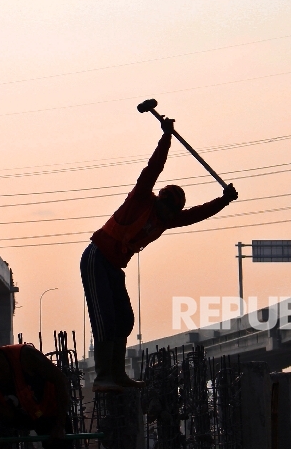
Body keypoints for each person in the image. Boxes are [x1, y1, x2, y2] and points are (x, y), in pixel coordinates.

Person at [81, 117, 238, 391]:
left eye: (173, 212)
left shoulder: (168, 219)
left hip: (114, 267)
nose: (168, 215)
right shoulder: (141, 199)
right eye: (167, 208)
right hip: (96, 259)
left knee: (125, 319)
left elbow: (196, 215)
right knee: (105, 318)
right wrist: (166, 137)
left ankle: (116, 374)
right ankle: (103, 376)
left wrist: (223, 201)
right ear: (161, 200)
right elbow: (154, 168)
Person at [0, 319, 71, 445]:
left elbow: (61, 380)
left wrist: (60, 426)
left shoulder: (24, 355)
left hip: (49, 414)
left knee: (59, 442)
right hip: (19, 418)